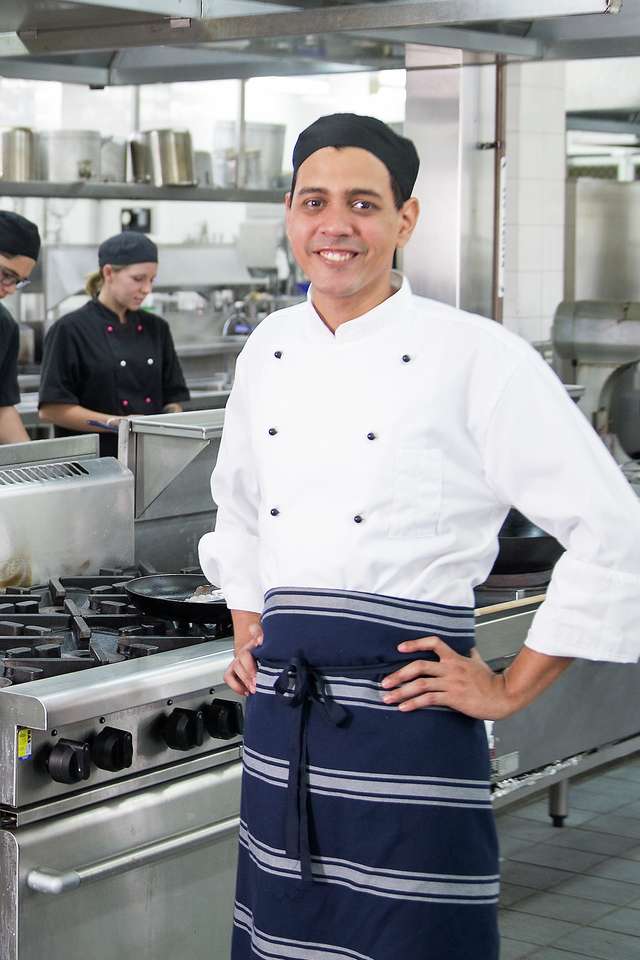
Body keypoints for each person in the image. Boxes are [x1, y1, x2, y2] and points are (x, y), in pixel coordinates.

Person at [199, 114, 640, 960]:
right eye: (314, 201)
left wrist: (507, 690)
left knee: (418, 939)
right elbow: (241, 505)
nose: (336, 225)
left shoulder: (477, 356)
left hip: (409, 718)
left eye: (364, 203)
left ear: (406, 219)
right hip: (282, 714)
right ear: (290, 214)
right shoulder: (269, 349)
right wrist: (249, 621)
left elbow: (613, 530)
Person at [39, 232, 189, 456]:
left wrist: (168, 422)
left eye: (151, 280)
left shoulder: (157, 328)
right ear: (108, 273)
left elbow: (174, 397)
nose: (147, 289)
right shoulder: (70, 329)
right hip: (92, 463)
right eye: (138, 279)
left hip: (150, 458)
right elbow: (51, 409)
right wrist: (118, 423)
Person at [0, 210, 40, 444]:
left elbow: (2, 409)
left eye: (18, 281)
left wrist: (38, 467)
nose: (11, 288)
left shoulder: (4, 325)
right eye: (6, 274)